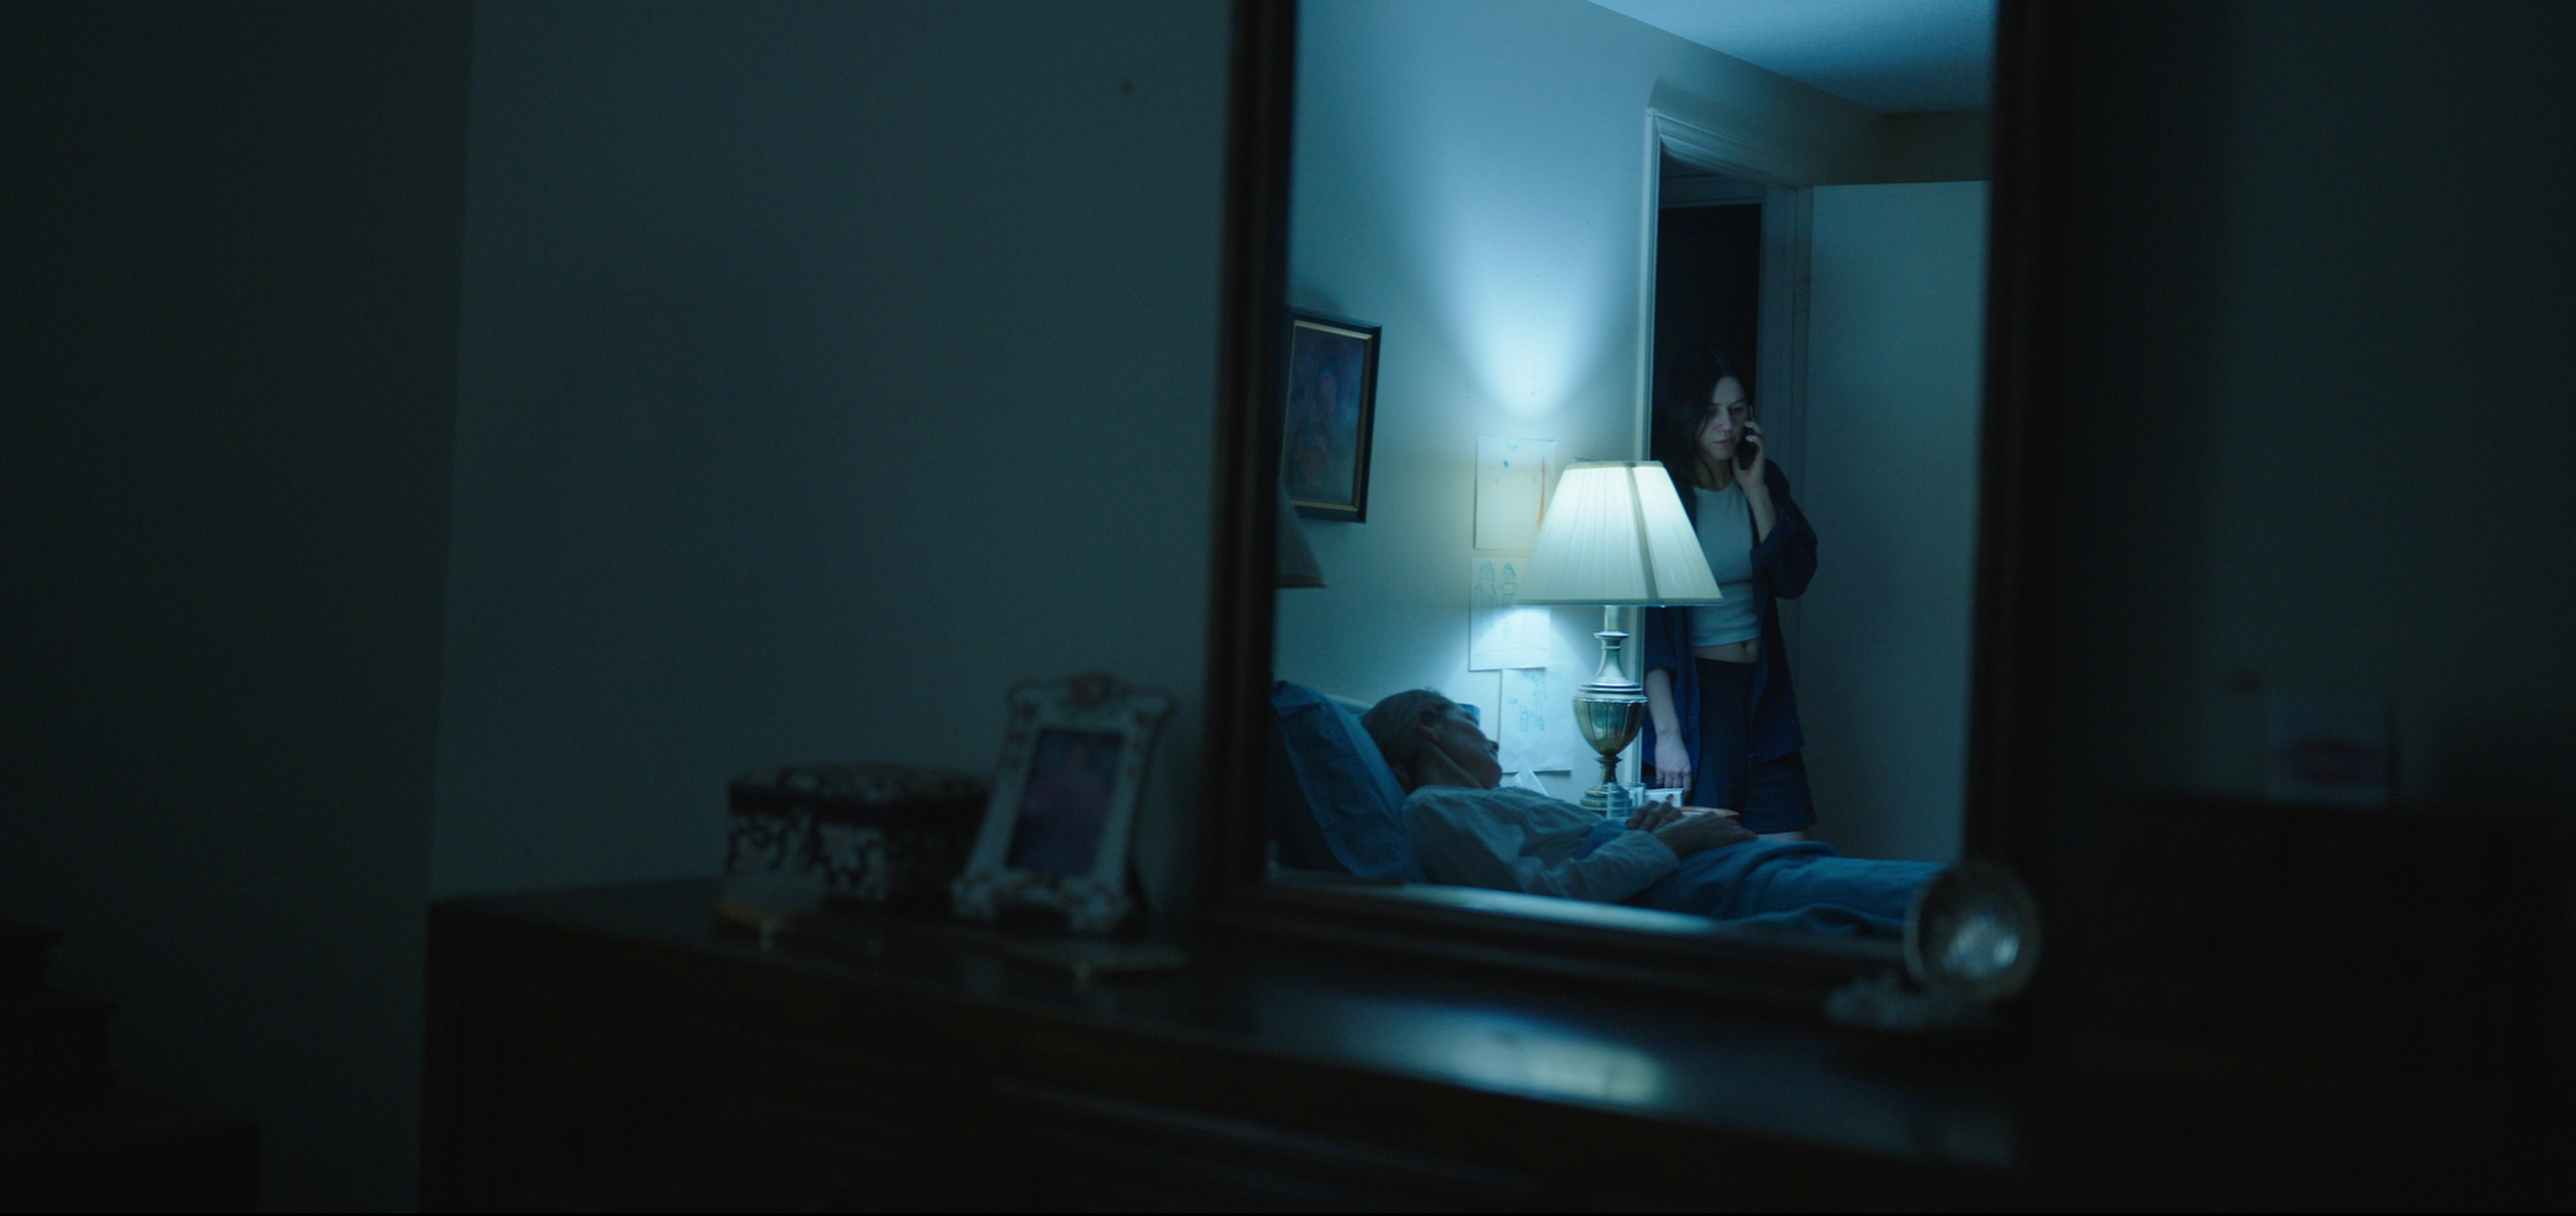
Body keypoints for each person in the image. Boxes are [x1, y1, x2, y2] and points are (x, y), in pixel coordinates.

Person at [1360, 690, 1939, 936]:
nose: (1491, 741)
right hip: (1669, 884)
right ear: (1428, 726)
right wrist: (1671, 842)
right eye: (1471, 723)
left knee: (1871, 887)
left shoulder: (1484, 800)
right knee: (1903, 904)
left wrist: (1656, 830)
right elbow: (1543, 900)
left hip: (1679, 866)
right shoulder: (1432, 810)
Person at [1641, 348, 1821, 842]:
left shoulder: (1765, 479)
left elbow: (1792, 579)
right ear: (1685, 415)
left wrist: (1756, 489)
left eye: (1737, 410)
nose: (1727, 425)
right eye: (1711, 412)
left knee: (1787, 852)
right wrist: (1668, 735)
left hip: (1765, 692)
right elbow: (1651, 630)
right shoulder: (1665, 492)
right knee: (1713, 855)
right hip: (1701, 696)